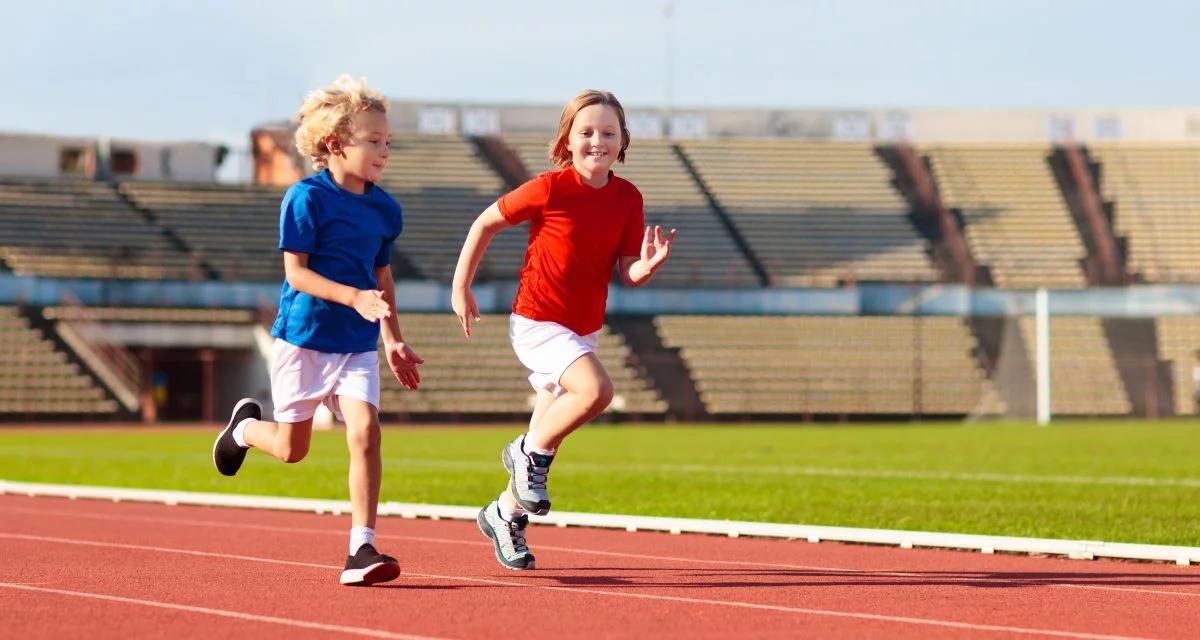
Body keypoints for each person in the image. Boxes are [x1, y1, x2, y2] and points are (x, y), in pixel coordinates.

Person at [211, 75, 423, 586]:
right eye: (374, 141)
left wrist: (392, 337)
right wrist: (352, 297)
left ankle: (361, 548)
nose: (384, 151)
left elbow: (382, 277)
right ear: (335, 144)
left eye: (387, 142)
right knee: (292, 450)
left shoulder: (385, 209)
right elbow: (296, 274)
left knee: (366, 431)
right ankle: (243, 429)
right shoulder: (306, 198)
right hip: (303, 340)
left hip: (356, 345)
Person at [451, 89, 676, 570]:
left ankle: (503, 515)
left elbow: (627, 268)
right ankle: (523, 451)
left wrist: (646, 267)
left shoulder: (627, 197)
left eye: (609, 133)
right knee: (596, 392)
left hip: (582, 330)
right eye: (587, 132)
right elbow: (483, 224)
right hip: (537, 321)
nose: (598, 140)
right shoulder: (550, 188)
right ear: (567, 141)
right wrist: (460, 286)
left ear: (622, 142)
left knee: (547, 438)